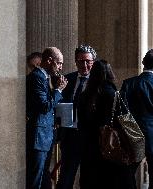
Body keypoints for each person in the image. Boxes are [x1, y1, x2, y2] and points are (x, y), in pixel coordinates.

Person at [78, 59, 140, 189]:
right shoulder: (115, 95)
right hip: (112, 148)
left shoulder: (84, 96)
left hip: (90, 149)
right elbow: (127, 122)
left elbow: (81, 123)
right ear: (110, 73)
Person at [120, 48, 153, 189]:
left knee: (127, 177)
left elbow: (122, 113)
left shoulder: (128, 84)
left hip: (132, 138)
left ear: (143, 62)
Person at [26, 47, 68, 189]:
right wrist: (58, 90)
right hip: (39, 136)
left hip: (47, 136)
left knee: (44, 175)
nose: (61, 67)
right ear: (49, 60)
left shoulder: (46, 77)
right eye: (59, 63)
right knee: (36, 178)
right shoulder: (36, 77)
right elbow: (44, 106)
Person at [56, 44, 97, 189]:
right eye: (80, 61)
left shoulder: (99, 83)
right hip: (70, 136)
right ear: (75, 61)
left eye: (87, 61)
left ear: (93, 62)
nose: (84, 65)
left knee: (89, 179)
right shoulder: (67, 80)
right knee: (66, 178)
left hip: (91, 138)